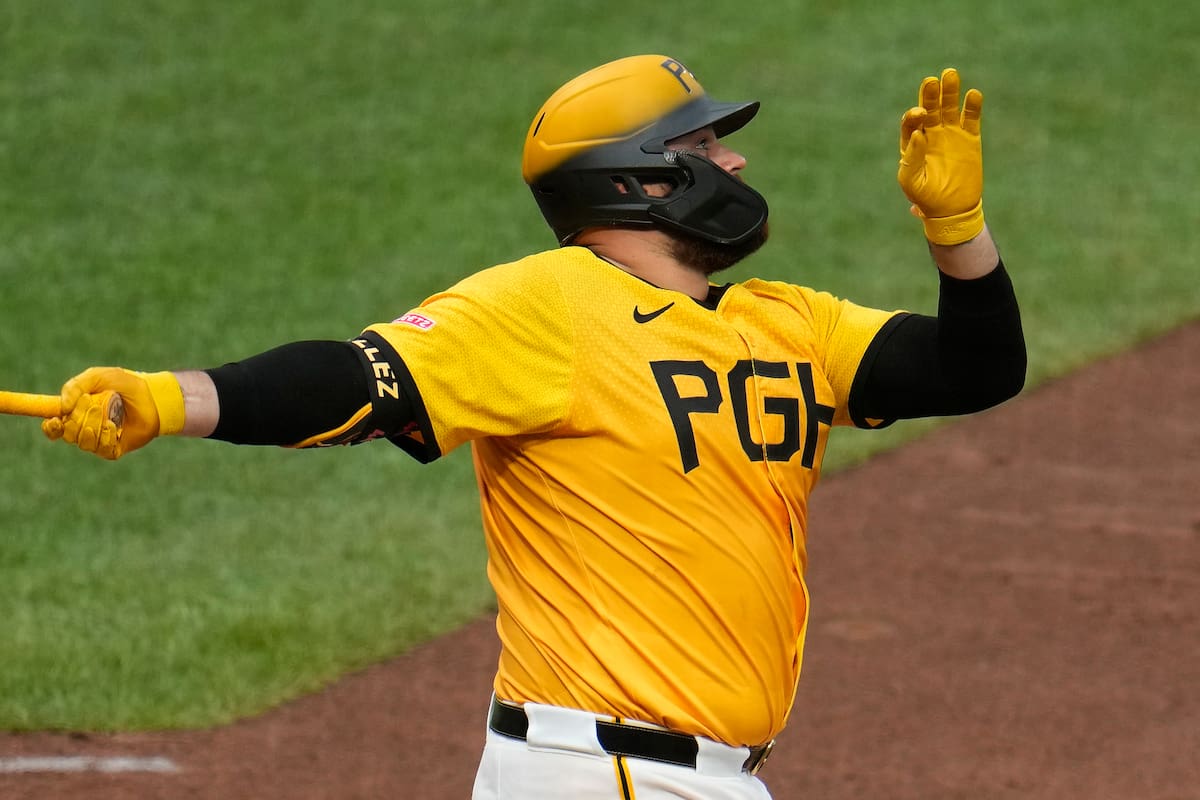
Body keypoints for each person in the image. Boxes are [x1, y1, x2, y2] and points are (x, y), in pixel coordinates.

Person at [42, 55, 1025, 799]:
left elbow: (976, 366)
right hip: (603, 770)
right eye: (705, 146)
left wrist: (958, 232)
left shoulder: (787, 323)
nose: (734, 160)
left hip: (698, 778)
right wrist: (169, 396)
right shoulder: (551, 306)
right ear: (640, 178)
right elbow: (358, 378)